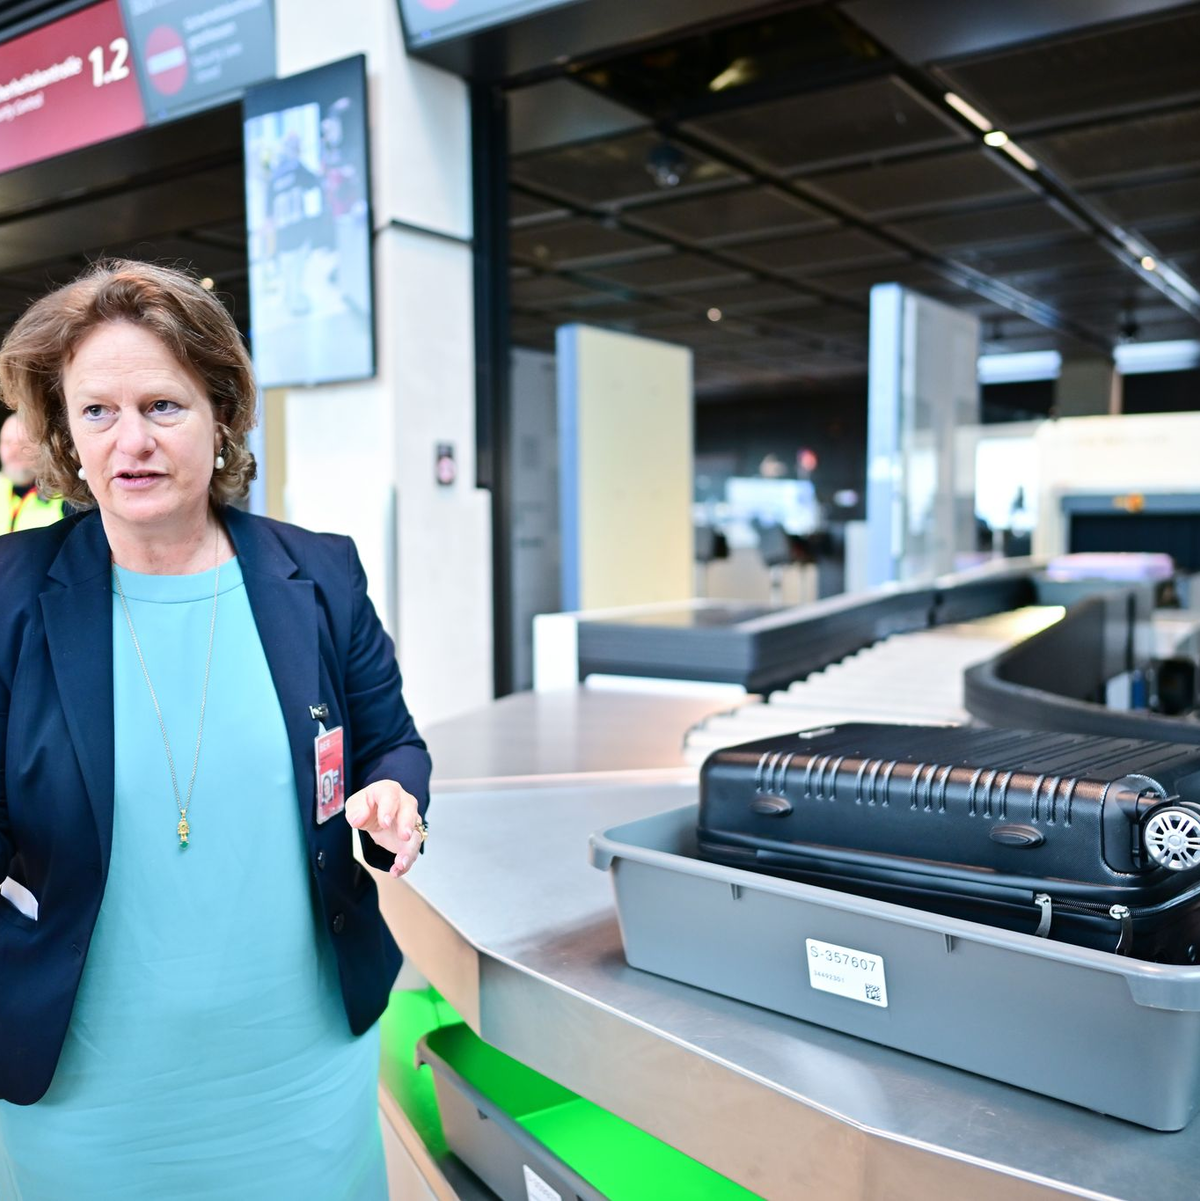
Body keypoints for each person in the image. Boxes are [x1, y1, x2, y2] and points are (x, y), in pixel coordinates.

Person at [0, 260, 431, 1199]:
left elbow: (392, 740)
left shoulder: (317, 575)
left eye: (163, 405)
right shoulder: (12, 593)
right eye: (97, 411)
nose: (130, 441)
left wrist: (395, 793)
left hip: (299, 1066)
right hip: (84, 1083)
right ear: (66, 433)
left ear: (223, 411)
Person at [0, 412, 64, 533]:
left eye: (23, 443)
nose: (14, 451)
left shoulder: (67, 497)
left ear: (45, 447)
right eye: (7, 442)